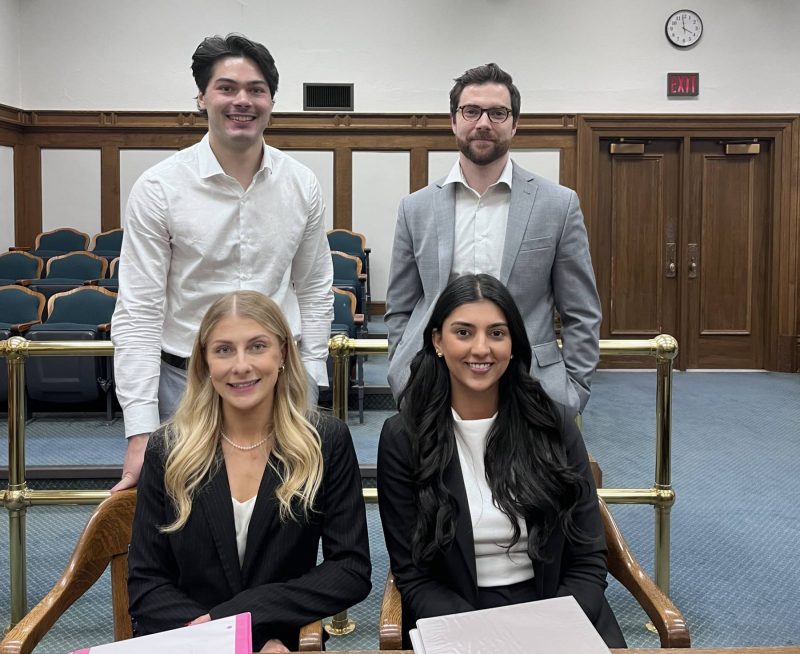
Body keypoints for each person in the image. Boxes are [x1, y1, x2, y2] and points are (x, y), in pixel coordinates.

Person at [111, 34, 333, 492]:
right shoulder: (159, 188)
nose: (242, 101)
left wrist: (311, 380)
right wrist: (139, 429)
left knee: (287, 519)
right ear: (202, 98)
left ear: (272, 100)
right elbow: (138, 311)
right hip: (186, 383)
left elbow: (313, 289)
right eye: (227, 88)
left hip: (281, 380)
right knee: (188, 527)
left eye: (256, 89)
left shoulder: (302, 184)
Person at [377, 274, 625, 649]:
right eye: (463, 332)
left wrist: (544, 629)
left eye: (496, 333)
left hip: (558, 608)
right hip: (455, 616)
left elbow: (588, 556)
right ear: (437, 341)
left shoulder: (553, 425)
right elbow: (414, 575)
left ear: (513, 344)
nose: (481, 349)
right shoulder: (403, 439)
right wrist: (485, 635)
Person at [128, 291, 370, 653]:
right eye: (223, 350)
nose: (240, 365)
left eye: (257, 346)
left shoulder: (326, 441)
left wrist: (249, 618)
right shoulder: (168, 448)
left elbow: (349, 570)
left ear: (283, 353)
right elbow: (147, 583)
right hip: (190, 641)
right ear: (205, 362)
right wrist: (241, 640)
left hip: (285, 641)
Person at [385, 63, 601, 415]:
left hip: (531, 382)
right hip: (433, 382)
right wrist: (403, 365)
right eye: (471, 111)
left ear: (514, 123)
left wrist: (574, 387)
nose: (483, 123)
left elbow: (581, 311)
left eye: (497, 112)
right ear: (454, 121)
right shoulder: (415, 208)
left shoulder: (558, 205)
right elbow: (401, 308)